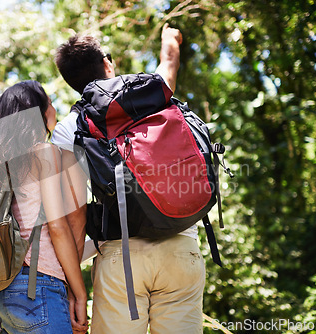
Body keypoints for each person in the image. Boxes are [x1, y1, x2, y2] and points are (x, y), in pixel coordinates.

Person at [51, 25, 205, 333]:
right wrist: (170, 39)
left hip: (121, 257)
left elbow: (75, 216)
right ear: (108, 64)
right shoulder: (152, 92)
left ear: (72, 84)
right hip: (182, 244)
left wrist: (74, 289)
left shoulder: (71, 127)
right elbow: (169, 65)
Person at [0, 81, 88, 333]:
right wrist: (78, 293)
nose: (53, 106)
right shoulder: (44, 153)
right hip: (37, 288)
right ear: (39, 111)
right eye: (49, 101)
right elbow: (57, 227)